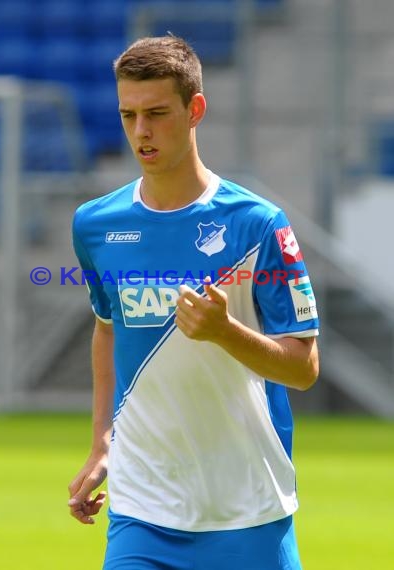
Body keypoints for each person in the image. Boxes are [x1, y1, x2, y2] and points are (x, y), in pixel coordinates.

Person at [68, 35, 319, 570]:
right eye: (128, 114)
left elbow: (304, 368)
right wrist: (102, 443)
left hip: (246, 508)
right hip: (143, 507)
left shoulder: (258, 226)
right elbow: (107, 328)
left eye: (157, 113)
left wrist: (224, 331)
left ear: (195, 109)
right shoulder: (95, 224)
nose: (141, 131)